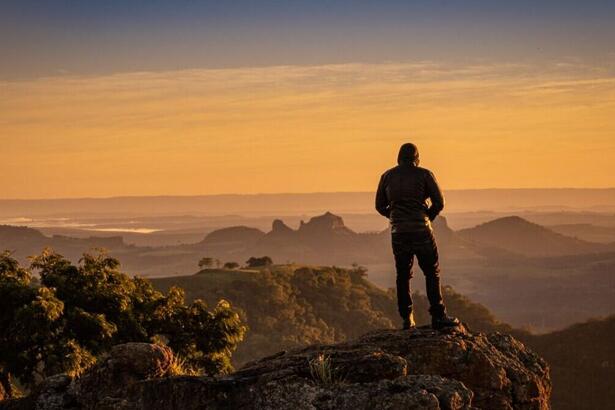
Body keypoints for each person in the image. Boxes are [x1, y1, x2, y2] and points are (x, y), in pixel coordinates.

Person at [375, 143, 460, 330]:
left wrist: (395, 216)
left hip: (399, 233)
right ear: (417, 158)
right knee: (432, 272)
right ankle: (438, 315)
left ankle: (407, 319)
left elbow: (379, 206)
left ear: (398, 158)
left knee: (403, 275)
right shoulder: (424, 174)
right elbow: (439, 202)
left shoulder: (387, 176)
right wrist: (428, 216)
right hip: (421, 229)